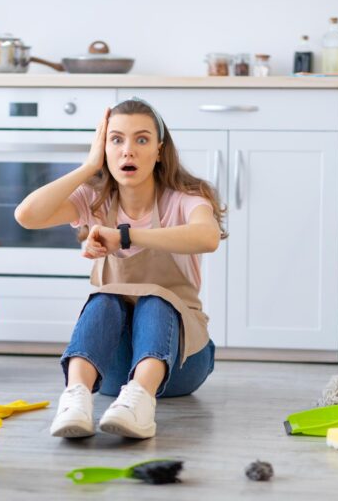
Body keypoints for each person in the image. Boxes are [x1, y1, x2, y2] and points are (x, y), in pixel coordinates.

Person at [14, 98, 227, 439]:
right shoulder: (94, 200)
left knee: (156, 299)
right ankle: (76, 399)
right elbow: (27, 215)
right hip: (112, 370)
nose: (128, 151)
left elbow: (208, 236)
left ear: (159, 151)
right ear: (104, 148)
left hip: (181, 364)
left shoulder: (184, 198)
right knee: (104, 299)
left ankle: (141, 401)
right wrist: (88, 166)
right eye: (116, 140)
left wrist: (124, 237)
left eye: (141, 140)